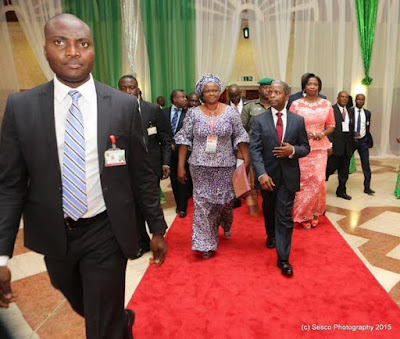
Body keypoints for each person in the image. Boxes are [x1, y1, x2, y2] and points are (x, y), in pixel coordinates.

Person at [0, 14, 167, 339]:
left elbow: (141, 173)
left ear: (93, 52)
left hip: (106, 229)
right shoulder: (21, 107)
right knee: (88, 305)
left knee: (99, 325)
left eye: (83, 44)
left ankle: (111, 324)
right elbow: (10, 185)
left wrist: (156, 227)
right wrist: (1, 256)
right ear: (46, 50)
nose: (73, 52)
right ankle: (119, 322)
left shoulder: (120, 105)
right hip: (54, 233)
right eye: (60, 42)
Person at [175, 74, 250, 259]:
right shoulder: (193, 113)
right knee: (202, 203)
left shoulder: (230, 112)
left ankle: (225, 221)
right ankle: (205, 243)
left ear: (219, 91)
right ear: (202, 92)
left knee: (224, 201)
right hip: (199, 165)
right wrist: (180, 166)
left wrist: (246, 159)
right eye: (208, 91)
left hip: (225, 165)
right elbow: (184, 138)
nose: (212, 93)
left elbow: (240, 134)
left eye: (215, 90)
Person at [250, 81, 310, 276]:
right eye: (270, 92)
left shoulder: (298, 121)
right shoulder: (259, 120)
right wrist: (261, 174)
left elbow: (305, 148)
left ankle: (283, 258)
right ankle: (270, 234)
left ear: (286, 96)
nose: (272, 95)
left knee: (284, 216)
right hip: (267, 177)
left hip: (288, 177)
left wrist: (292, 150)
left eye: (277, 92)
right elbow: (255, 150)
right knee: (269, 209)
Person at [118, 75, 171, 258]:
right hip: (125, 167)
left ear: (138, 88)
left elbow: (165, 138)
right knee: (133, 206)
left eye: (131, 87)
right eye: (123, 88)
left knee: (150, 202)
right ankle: (141, 241)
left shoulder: (153, 109)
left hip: (150, 166)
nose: (128, 92)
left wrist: (165, 162)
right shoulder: (114, 111)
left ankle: (157, 234)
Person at [290, 73, 335, 229]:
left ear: (319, 87)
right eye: (309, 84)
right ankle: (303, 215)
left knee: (318, 180)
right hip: (302, 147)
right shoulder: (296, 104)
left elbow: (331, 125)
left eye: (315, 84)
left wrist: (322, 133)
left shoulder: (326, 104)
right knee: (303, 181)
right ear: (304, 86)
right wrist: (305, 133)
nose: (312, 87)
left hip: (320, 148)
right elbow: (291, 125)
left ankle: (315, 212)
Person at [163, 90, 189, 217]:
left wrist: (177, 145)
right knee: (173, 180)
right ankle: (178, 203)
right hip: (168, 153)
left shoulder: (189, 114)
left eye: (185, 97)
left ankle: (182, 207)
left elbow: (189, 134)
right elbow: (161, 131)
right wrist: (168, 145)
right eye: (182, 97)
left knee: (182, 179)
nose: (185, 99)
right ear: (174, 99)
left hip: (184, 152)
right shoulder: (163, 112)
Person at [326, 91, 356, 200]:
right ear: (337, 98)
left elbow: (351, 128)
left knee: (344, 172)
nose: (344, 99)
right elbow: (328, 127)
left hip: (347, 148)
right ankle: (318, 189)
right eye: (342, 97)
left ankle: (341, 190)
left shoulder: (350, 111)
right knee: (329, 169)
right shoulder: (331, 110)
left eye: (346, 97)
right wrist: (329, 144)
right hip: (335, 147)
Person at [351, 94, 375, 195]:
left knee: (366, 164)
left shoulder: (367, 113)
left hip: (363, 141)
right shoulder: (349, 111)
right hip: (351, 141)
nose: (361, 101)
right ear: (355, 100)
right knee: (344, 163)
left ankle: (367, 187)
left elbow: (367, 126)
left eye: (363, 99)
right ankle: (341, 187)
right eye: (359, 99)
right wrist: (352, 133)